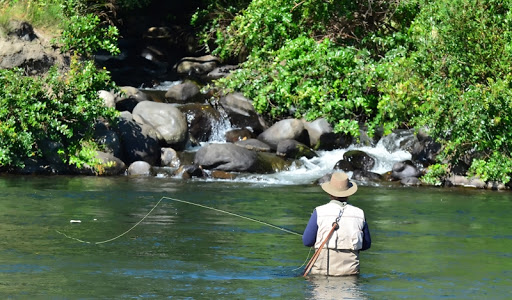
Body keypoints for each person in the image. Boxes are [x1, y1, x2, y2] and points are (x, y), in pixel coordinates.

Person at [303, 172, 371, 276]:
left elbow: (307, 241)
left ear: (330, 193)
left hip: (322, 274)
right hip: (350, 276)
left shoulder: (319, 212)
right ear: (349, 193)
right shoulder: (360, 213)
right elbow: (366, 245)